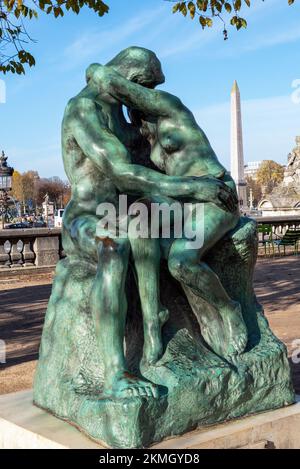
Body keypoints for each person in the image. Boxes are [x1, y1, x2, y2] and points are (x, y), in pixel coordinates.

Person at [61, 46, 237, 398]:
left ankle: (163, 322)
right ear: (130, 79)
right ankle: (116, 374)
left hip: (132, 211)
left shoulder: (124, 115)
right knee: (116, 245)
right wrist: (194, 187)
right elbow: (121, 172)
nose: (148, 96)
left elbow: (154, 167)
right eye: (146, 86)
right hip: (88, 218)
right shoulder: (82, 110)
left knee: (148, 232)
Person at [90, 56, 248, 364]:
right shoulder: (147, 139)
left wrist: (94, 70)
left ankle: (230, 309)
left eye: (141, 90)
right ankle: (153, 320)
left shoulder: (169, 106)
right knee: (138, 219)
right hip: (183, 202)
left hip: (215, 195)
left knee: (180, 261)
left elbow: (114, 84)